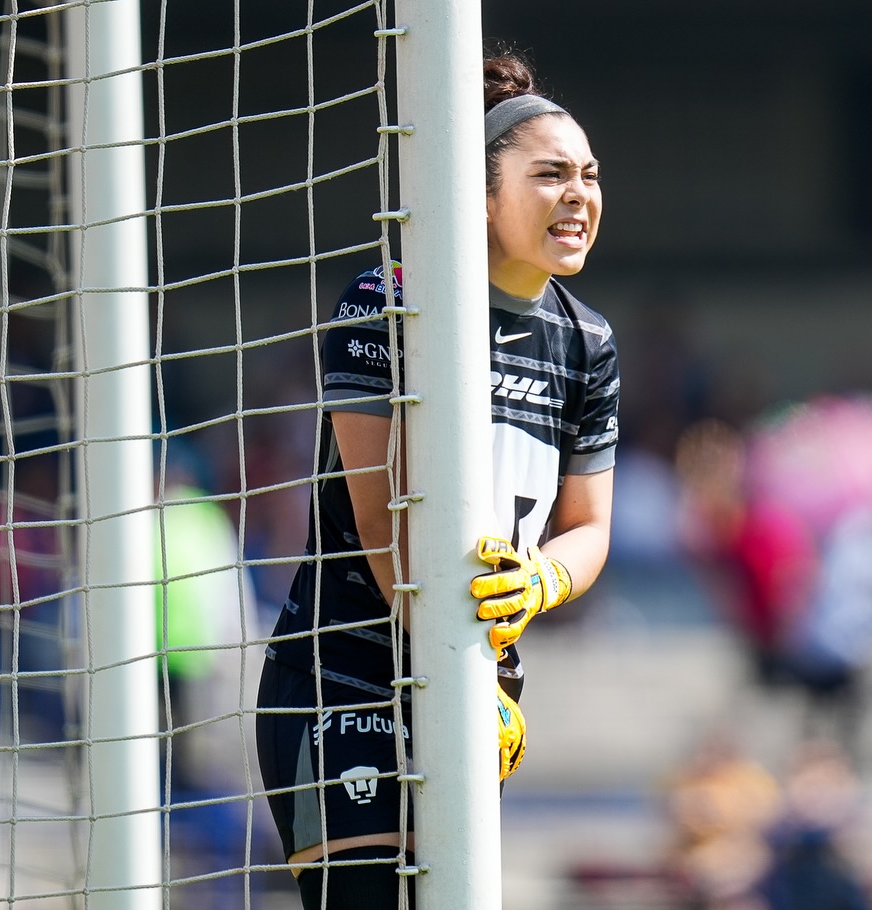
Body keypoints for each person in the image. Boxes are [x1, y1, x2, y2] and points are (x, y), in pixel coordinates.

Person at [255, 49, 618, 910]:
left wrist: (540, 579)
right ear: (481, 194)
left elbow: (590, 526)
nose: (579, 195)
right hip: (345, 670)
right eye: (550, 175)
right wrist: (462, 675)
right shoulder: (389, 301)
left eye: (590, 176)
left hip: (475, 671)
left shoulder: (587, 340)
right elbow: (385, 527)